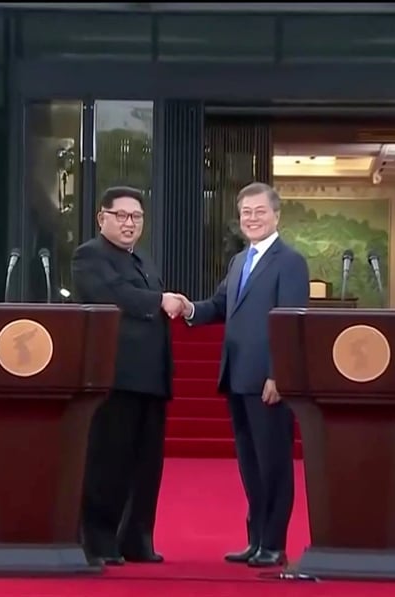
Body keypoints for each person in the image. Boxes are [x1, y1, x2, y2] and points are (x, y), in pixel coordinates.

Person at [171, 182, 310, 568]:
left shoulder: (290, 262)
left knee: (274, 464)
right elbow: (218, 305)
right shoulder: (239, 262)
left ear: (276, 215)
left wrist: (278, 374)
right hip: (236, 377)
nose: (251, 218)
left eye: (259, 211)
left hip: (268, 382)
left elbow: (291, 322)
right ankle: (255, 541)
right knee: (251, 465)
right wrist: (188, 309)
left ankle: (274, 544)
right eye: (246, 212)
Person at [72, 186, 185, 567]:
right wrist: (159, 300)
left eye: (136, 216)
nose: (129, 223)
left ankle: (136, 538)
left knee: (146, 465)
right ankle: (99, 541)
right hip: (115, 377)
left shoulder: (143, 259)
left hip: (151, 379)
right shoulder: (90, 255)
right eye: (121, 215)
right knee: (109, 462)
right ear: (101, 218)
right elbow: (111, 294)